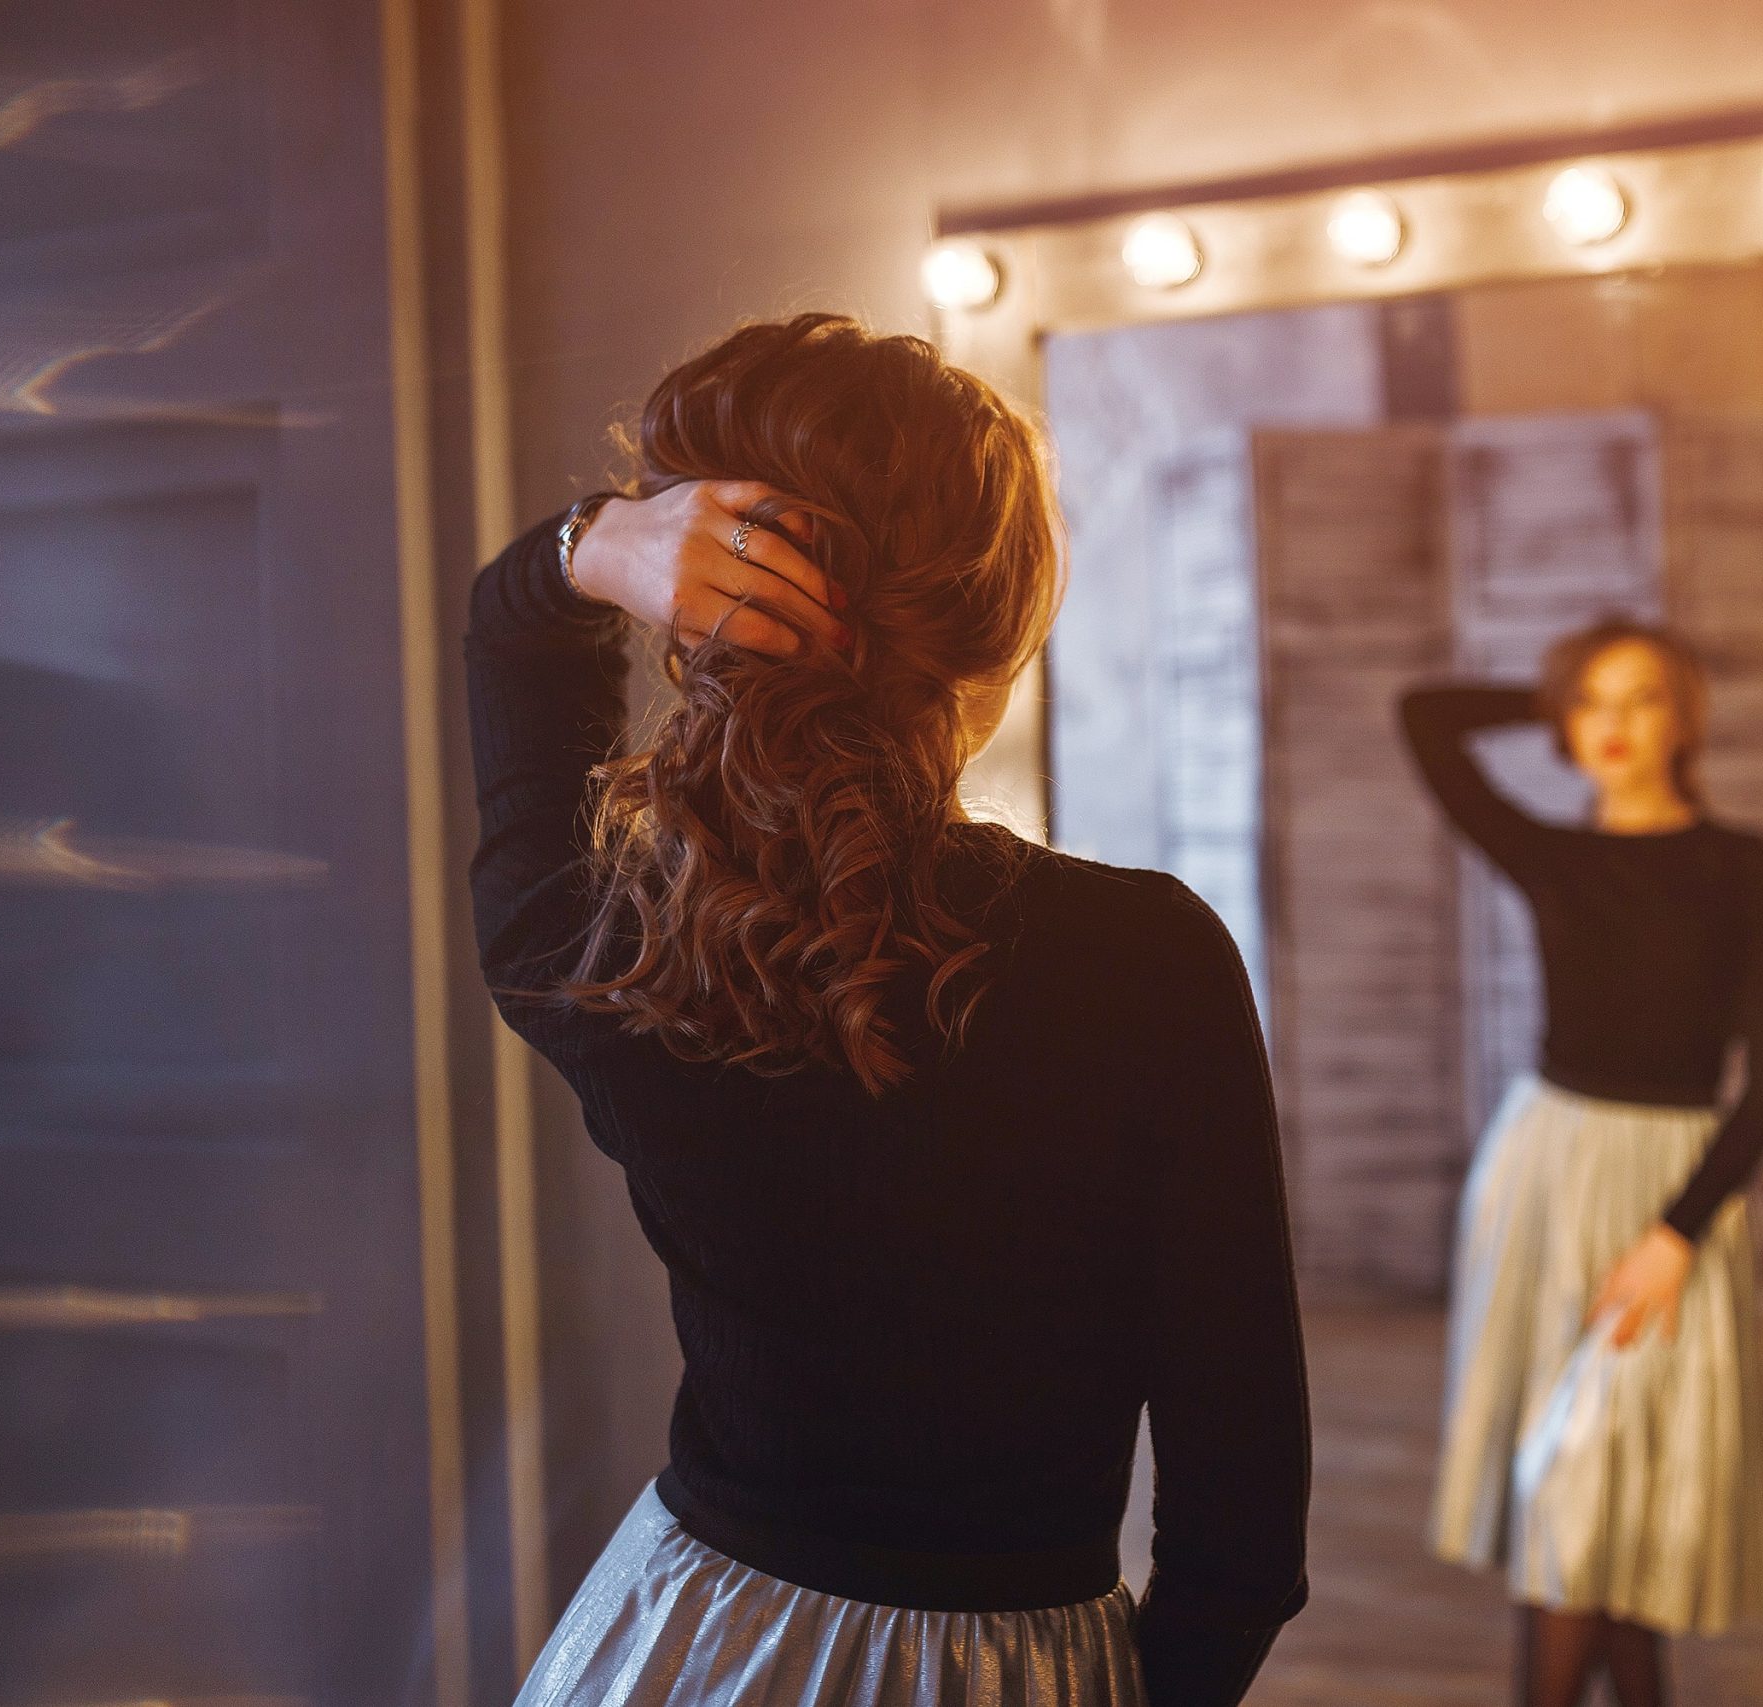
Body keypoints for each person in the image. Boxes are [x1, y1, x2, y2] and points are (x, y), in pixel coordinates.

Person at [467, 314, 1310, 1707]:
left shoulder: (620, 948)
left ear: (698, 616)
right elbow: (1242, 1529)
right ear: (997, 626)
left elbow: (511, 648)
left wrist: (592, 544)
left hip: (682, 1646)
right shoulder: (1147, 960)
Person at [1398, 624, 1763, 1707]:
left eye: (1642, 699)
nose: (1613, 725)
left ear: (1686, 718)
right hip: (1545, 1172)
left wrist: (1677, 1233)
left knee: (1615, 1519)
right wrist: (1556, 696)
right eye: (1593, 705)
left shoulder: (1736, 865)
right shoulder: (1554, 854)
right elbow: (1424, 716)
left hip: (1676, 1189)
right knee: (1572, 1514)